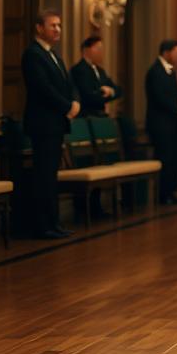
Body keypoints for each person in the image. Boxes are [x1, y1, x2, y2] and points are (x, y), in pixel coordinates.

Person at [21, 9, 79, 239]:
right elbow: (43, 88)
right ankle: (43, 226)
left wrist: (75, 101)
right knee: (43, 176)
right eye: (53, 25)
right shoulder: (33, 54)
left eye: (59, 25)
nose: (57, 29)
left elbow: (68, 83)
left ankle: (54, 223)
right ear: (39, 28)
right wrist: (67, 107)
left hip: (56, 125)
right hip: (43, 125)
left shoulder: (54, 55)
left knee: (50, 176)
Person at [70, 35, 124, 219]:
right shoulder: (79, 70)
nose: (101, 53)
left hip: (99, 120)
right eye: (98, 49)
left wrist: (108, 91)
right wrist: (105, 93)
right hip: (85, 121)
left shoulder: (100, 71)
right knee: (86, 163)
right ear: (87, 49)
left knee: (100, 162)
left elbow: (118, 90)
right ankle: (83, 209)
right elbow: (87, 96)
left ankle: (96, 206)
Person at [145, 39, 177, 206]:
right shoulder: (155, 72)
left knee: (176, 155)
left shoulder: (171, 72)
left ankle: (172, 190)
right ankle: (163, 194)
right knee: (165, 157)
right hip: (160, 123)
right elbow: (160, 97)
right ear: (166, 52)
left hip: (172, 122)